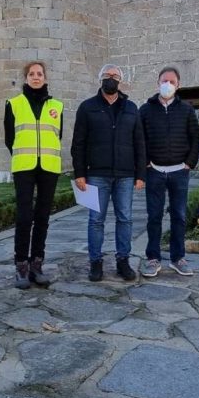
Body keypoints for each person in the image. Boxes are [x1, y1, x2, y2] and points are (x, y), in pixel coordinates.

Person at [71, 64, 147, 282]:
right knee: (96, 220)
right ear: (100, 79)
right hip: (96, 174)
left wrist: (141, 174)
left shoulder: (131, 108)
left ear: (120, 80)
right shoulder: (87, 107)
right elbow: (79, 143)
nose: (111, 78)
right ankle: (95, 262)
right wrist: (79, 173)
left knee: (125, 218)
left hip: (125, 175)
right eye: (107, 75)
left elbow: (139, 142)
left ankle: (123, 260)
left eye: (115, 76)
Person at [4, 61, 63, 289]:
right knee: (24, 216)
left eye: (40, 74)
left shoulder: (57, 106)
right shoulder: (14, 104)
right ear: (25, 78)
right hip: (24, 166)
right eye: (31, 74)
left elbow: (58, 134)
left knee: (43, 217)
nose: (36, 77)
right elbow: (10, 138)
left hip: (49, 166)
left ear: (45, 78)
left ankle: (37, 265)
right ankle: (21, 266)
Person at [139, 66, 199, 278]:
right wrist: (145, 162)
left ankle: (178, 258)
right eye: (164, 81)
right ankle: (152, 258)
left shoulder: (186, 110)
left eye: (172, 81)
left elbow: (196, 138)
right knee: (154, 216)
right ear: (158, 83)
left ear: (178, 85)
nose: (168, 84)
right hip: (154, 171)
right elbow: (139, 138)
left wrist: (189, 163)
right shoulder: (145, 110)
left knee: (179, 216)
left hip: (179, 172)